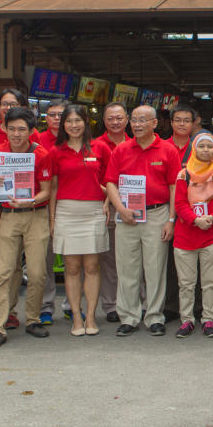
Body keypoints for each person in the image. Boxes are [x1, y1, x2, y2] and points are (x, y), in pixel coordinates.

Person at [0, 107, 55, 350]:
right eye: (11, 128)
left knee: (36, 273)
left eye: (21, 129)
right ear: (4, 128)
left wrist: (30, 200)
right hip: (9, 215)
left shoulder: (41, 154)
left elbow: (47, 190)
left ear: (31, 131)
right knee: (2, 272)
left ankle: (33, 319)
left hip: (35, 215)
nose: (16, 134)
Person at [105, 104, 179, 336]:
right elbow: (110, 183)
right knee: (127, 268)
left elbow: (174, 186)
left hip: (157, 214)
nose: (136, 125)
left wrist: (170, 219)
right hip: (127, 215)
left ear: (155, 123)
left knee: (155, 268)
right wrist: (120, 209)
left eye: (142, 120)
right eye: (134, 120)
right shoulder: (121, 150)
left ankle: (155, 315)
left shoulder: (168, 150)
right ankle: (128, 316)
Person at [52, 104, 109, 336]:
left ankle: (92, 316)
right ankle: (76, 316)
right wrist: (52, 219)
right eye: (69, 121)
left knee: (92, 267)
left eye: (78, 121)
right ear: (63, 125)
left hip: (94, 211)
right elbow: (53, 187)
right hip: (66, 212)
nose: (74, 125)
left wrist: (107, 204)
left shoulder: (101, 148)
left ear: (86, 123)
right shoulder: (56, 152)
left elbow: (110, 181)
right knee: (72, 268)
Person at [172, 132, 213, 337]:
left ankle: (208, 319)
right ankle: (186, 320)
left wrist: (211, 219)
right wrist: (195, 220)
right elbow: (179, 203)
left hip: (212, 235)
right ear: (194, 149)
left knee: (210, 282)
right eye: (201, 146)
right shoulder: (183, 174)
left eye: (210, 146)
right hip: (185, 235)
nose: (206, 150)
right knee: (186, 283)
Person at [92, 101, 131, 324]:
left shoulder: (137, 143)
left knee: (133, 259)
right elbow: (94, 178)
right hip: (107, 209)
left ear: (127, 119)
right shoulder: (95, 145)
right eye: (110, 118)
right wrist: (110, 196)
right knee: (109, 260)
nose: (115, 122)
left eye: (119, 118)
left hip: (135, 208)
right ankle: (111, 305)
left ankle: (136, 302)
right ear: (103, 121)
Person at [33, 100, 66, 326]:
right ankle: (46, 306)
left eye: (61, 115)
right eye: (52, 114)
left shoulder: (77, 139)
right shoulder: (37, 141)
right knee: (45, 260)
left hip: (70, 205)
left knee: (74, 260)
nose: (56, 118)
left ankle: (72, 306)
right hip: (43, 205)